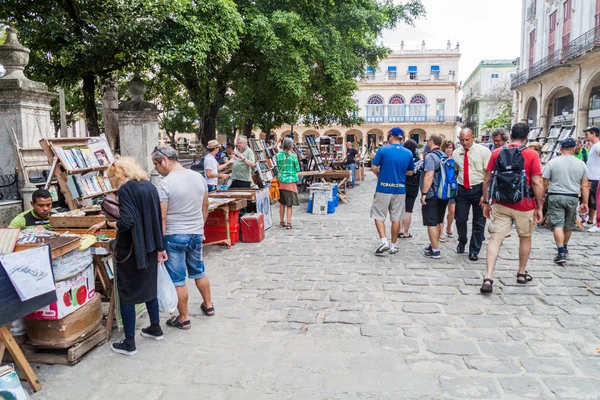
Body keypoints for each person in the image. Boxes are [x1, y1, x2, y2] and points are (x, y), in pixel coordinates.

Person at [89, 157, 167, 356]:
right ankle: (155, 328)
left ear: (118, 175)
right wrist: (160, 246)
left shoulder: (126, 190)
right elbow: (157, 217)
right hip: (149, 247)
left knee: (127, 294)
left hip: (131, 249)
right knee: (149, 289)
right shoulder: (149, 186)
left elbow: (127, 221)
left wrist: (110, 225)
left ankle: (130, 342)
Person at [151, 146, 214, 330]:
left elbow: (162, 217)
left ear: (164, 160)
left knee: (178, 279)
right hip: (195, 233)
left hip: (174, 235)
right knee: (199, 270)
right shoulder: (198, 177)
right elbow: (205, 206)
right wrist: (200, 227)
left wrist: (160, 244)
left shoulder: (165, 184)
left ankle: (184, 318)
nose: (155, 168)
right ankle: (209, 305)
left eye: (156, 163)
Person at [481, 123, 544, 293]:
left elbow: (487, 179)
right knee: (525, 237)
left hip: (501, 203)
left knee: (495, 239)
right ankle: (521, 273)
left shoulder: (496, 153)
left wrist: (486, 202)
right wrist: (540, 206)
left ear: (510, 135)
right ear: (527, 137)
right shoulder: (531, 154)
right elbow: (537, 182)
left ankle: (488, 276)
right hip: (524, 204)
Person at [542, 138, 589, 264]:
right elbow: (585, 185)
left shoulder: (552, 162)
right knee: (568, 225)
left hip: (555, 195)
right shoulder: (581, 164)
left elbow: (545, 182)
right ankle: (565, 247)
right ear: (574, 149)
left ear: (561, 148)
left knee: (558, 224)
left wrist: (541, 198)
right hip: (572, 197)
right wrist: (585, 202)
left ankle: (561, 251)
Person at [371, 127, 414, 256]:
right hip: (400, 189)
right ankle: (393, 245)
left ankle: (383, 241)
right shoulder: (408, 153)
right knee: (396, 218)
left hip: (383, 187)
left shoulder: (383, 149)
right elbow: (411, 172)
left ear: (391, 136)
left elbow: (373, 167)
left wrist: (380, 175)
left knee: (378, 215)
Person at [452, 128, 491, 261]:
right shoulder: (456, 153)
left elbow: (488, 175)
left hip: (479, 187)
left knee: (479, 221)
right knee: (460, 219)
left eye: (467, 140)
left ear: (473, 137)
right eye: (462, 140)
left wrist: (484, 195)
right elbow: (456, 171)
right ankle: (462, 240)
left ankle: (474, 250)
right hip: (462, 189)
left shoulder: (484, 151)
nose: (464, 142)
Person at [420, 134, 447, 259]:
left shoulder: (431, 156)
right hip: (443, 193)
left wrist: (424, 193)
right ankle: (433, 244)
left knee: (431, 222)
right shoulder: (443, 155)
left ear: (431, 141)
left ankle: (435, 250)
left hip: (432, 193)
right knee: (437, 220)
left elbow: (429, 175)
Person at [276, 138, 301, 229]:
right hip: (290, 181)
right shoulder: (293, 156)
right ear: (291, 146)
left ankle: (281, 221)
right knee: (289, 204)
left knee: (282, 202)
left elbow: (277, 167)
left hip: (281, 181)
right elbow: (298, 169)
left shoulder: (278, 155)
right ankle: (289, 223)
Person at [399, 139, 420, 239]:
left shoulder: (403, 158)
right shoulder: (418, 160)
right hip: (413, 186)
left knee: (400, 209)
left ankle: (399, 230)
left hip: (402, 184)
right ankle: (406, 232)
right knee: (408, 209)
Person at [439, 140, 457, 243]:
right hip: (443, 188)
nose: (449, 150)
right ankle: (441, 232)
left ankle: (449, 227)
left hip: (453, 188)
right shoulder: (441, 159)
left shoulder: (456, 159)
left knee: (452, 211)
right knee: (441, 210)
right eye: (447, 148)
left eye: (450, 148)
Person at [583, 126, 600, 232]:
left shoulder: (598, 145)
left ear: (593, 134)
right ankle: (590, 221)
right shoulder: (593, 145)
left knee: (595, 201)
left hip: (595, 177)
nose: (586, 136)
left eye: (587, 134)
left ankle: (597, 224)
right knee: (591, 200)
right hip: (592, 176)